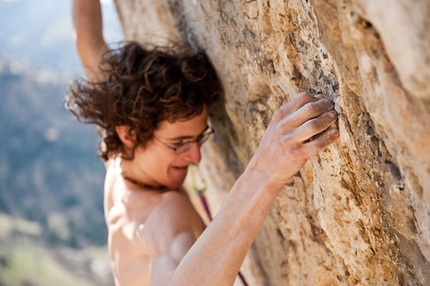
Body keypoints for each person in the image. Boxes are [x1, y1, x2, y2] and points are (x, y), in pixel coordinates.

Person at [66, 0, 339, 285]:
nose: (195, 156)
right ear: (130, 134)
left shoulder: (120, 141)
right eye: (179, 143)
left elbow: (86, 38)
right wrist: (266, 171)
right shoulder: (165, 214)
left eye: (198, 138)